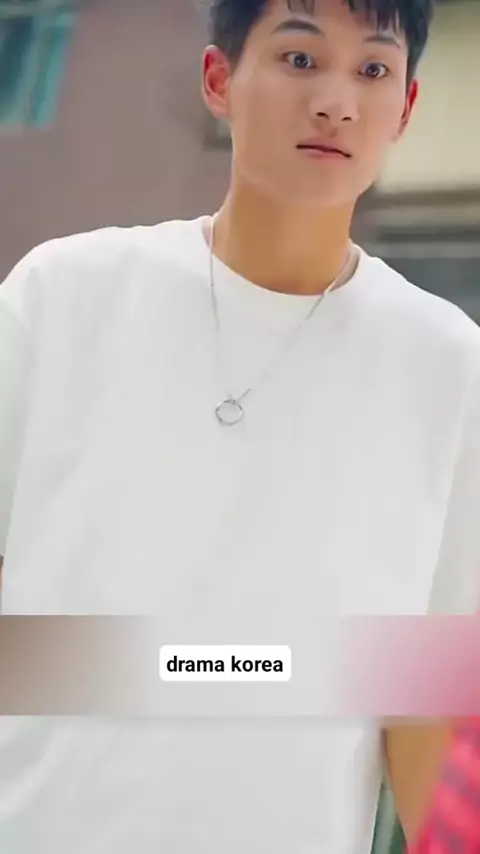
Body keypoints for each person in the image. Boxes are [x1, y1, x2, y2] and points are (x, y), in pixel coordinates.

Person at [0, 0, 479, 851]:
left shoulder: (448, 364)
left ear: (405, 107)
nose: (336, 101)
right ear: (219, 80)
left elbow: (433, 697)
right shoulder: (63, 295)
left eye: (373, 69)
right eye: (300, 59)